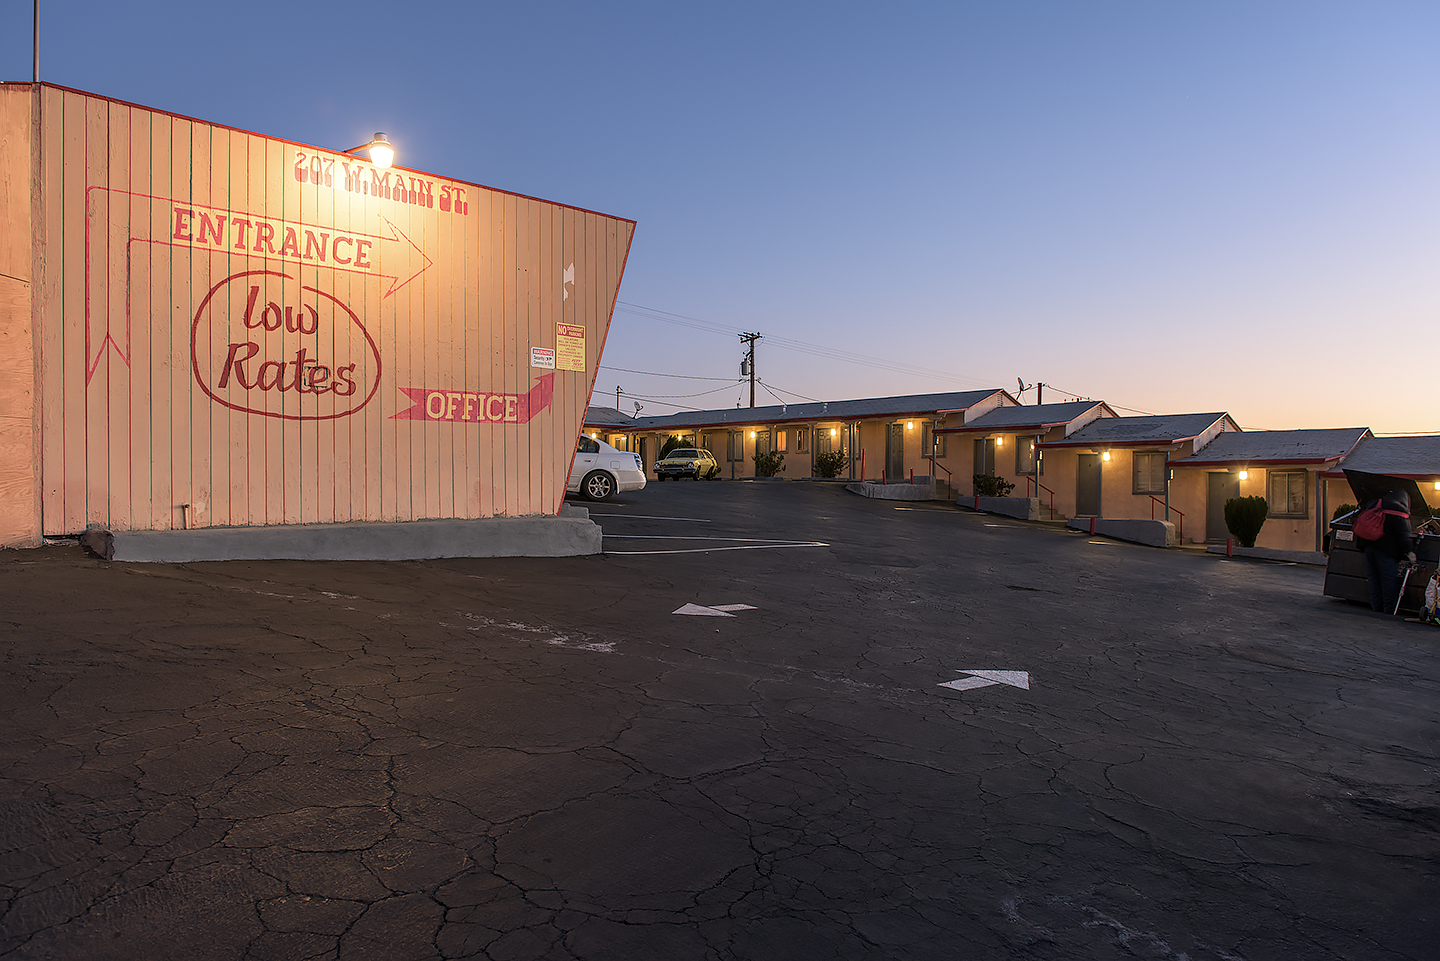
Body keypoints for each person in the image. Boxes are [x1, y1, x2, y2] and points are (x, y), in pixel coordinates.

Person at [1354, 489, 1415, 614]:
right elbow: (1403, 534)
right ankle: (1389, 608)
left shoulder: (1375, 503)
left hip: (1368, 546)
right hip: (1386, 551)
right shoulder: (1399, 510)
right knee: (1388, 579)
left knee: (1373, 578)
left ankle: (1376, 605)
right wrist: (1409, 551)